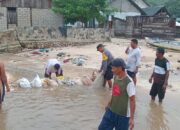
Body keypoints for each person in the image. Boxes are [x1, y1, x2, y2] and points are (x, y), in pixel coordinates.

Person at [98, 58, 136, 130]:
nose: (112, 70)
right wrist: (109, 104)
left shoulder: (129, 82)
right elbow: (114, 93)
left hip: (123, 116)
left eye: (113, 68)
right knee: (101, 128)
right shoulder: (115, 77)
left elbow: (132, 100)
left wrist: (132, 118)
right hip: (111, 111)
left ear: (120, 68)